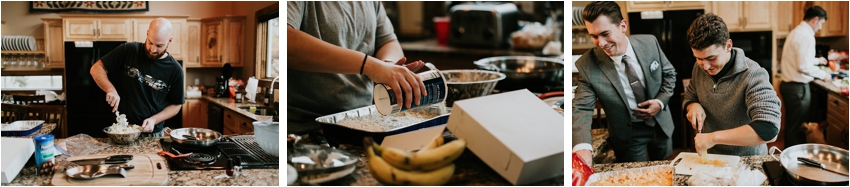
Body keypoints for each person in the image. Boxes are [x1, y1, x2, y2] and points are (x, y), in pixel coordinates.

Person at [287, 2, 426, 127]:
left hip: (362, 121)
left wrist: (388, 66)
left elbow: (388, 41)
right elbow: (287, 42)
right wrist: (372, 67)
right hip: (306, 128)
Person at [572, 1, 677, 165]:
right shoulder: (587, 65)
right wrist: (582, 146)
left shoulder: (650, 43)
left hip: (661, 124)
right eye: (594, 36)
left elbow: (669, 74)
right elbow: (581, 108)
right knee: (634, 179)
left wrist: (660, 102)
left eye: (605, 33)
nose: (601, 43)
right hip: (629, 134)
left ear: (622, 25)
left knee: (665, 169)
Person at [684, 13, 781, 156]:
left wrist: (712, 138)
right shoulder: (699, 67)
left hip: (746, 161)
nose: (705, 66)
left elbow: (769, 129)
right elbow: (690, 96)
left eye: (712, 58)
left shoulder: (753, 74)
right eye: (699, 58)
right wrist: (693, 106)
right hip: (713, 158)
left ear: (728, 45)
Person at [90, 18, 184, 137]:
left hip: (151, 134)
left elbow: (176, 105)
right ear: (147, 33)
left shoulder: (175, 70)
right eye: (150, 42)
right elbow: (96, 68)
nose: (152, 50)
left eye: (159, 45)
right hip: (121, 130)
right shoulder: (129, 50)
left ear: (170, 40)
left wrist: (154, 120)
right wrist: (110, 89)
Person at [780, 5, 831, 148]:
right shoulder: (807, 36)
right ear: (815, 20)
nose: (820, 27)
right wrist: (823, 74)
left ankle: (787, 156)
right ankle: (794, 163)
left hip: (788, 86)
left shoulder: (796, 32)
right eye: (821, 23)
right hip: (797, 89)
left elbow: (799, 59)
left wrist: (817, 60)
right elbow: (803, 66)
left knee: (792, 124)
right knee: (798, 128)